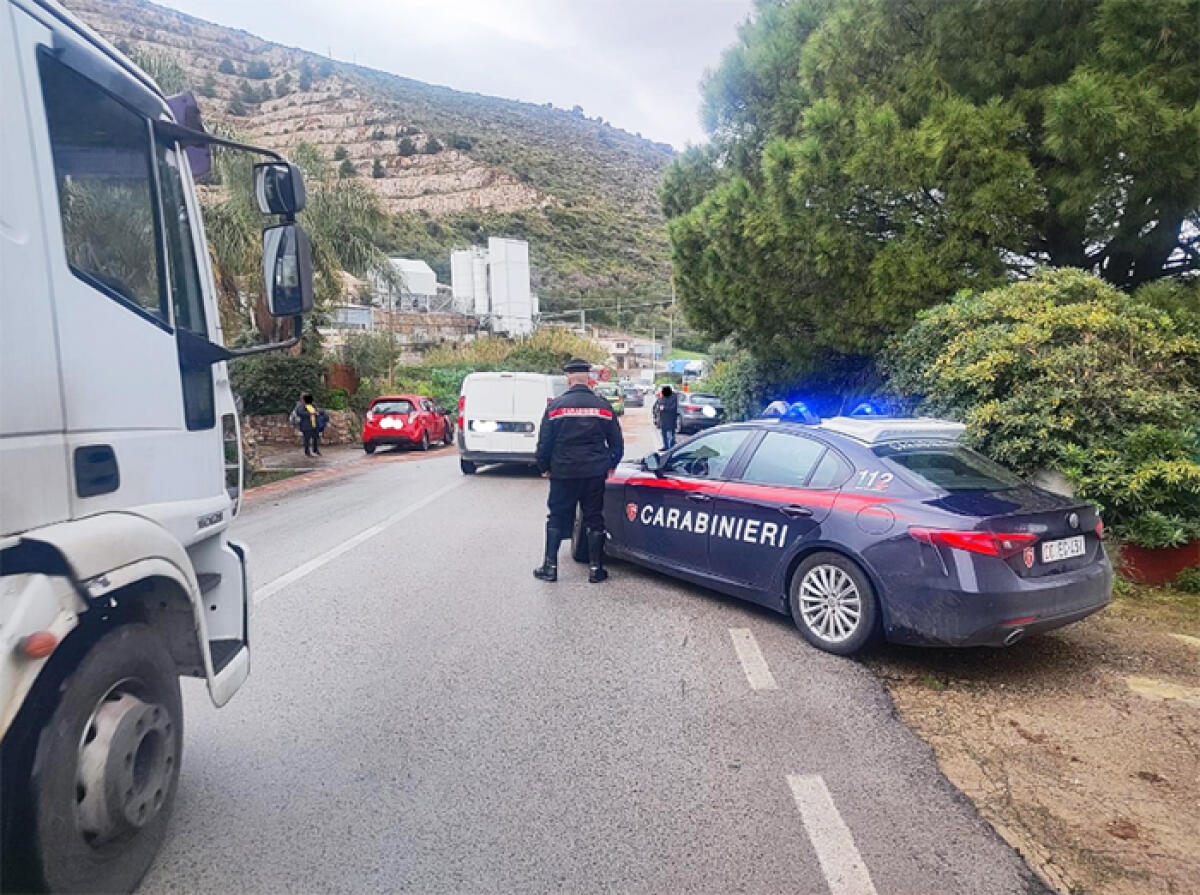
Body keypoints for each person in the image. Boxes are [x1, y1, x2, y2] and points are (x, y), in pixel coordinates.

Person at [533, 358, 624, 584]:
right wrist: (609, 465)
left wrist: (544, 467)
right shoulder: (603, 406)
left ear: (569, 378)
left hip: (563, 472)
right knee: (594, 517)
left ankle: (550, 567)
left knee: (556, 516)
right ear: (588, 378)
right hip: (594, 472)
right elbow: (617, 443)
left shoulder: (555, 407)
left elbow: (545, 443)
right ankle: (595, 569)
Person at [291, 391, 322, 457]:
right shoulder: (300, 405)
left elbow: (318, 409)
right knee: (307, 439)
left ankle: (315, 450)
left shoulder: (312, 404)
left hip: (314, 423)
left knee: (316, 438)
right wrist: (311, 414)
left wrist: (317, 412)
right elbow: (300, 412)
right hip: (306, 424)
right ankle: (307, 452)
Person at [654, 385, 679, 450]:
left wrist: (664, 408)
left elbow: (673, 407)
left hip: (671, 418)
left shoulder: (674, 396)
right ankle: (666, 446)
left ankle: (671, 447)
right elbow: (658, 405)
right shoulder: (662, 396)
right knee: (663, 433)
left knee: (671, 433)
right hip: (663, 418)